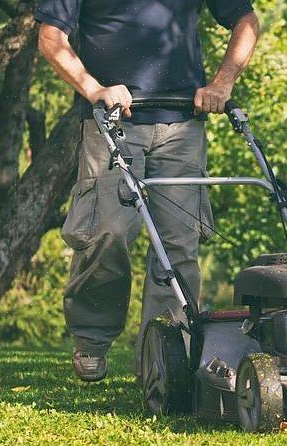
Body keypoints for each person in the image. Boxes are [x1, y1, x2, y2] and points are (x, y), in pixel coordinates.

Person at [36, 1, 260, 382]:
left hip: (183, 125)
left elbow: (246, 20)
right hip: (113, 121)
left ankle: (164, 359)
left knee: (178, 246)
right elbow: (50, 37)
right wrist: (94, 89)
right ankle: (91, 339)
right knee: (106, 232)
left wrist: (222, 83)